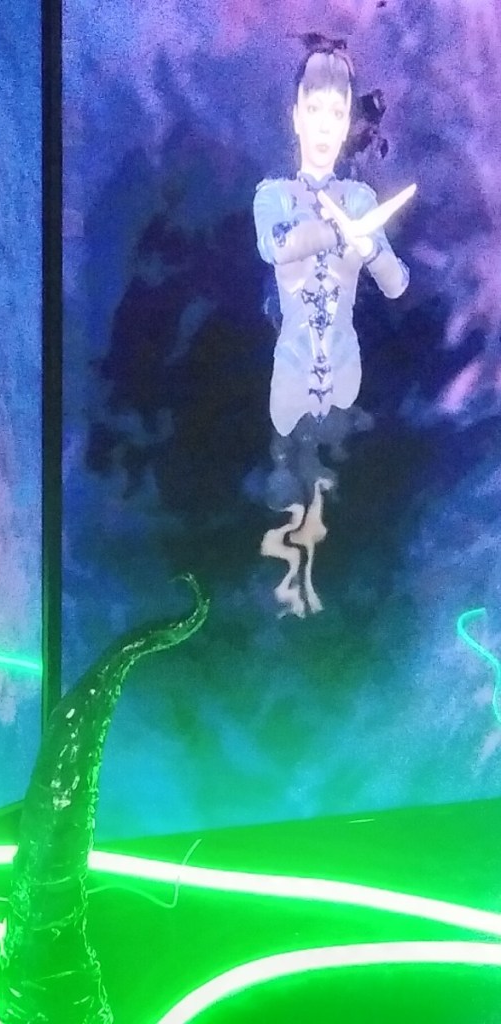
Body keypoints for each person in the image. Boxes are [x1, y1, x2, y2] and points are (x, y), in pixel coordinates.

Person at [253, 38, 415, 616]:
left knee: (336, 503)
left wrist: (370, 247)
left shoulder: (361, 197)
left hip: (345, 376)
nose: (325, 124)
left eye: (338, 112)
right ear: (295, 115)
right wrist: (339, 231)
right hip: (290, 376)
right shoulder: (273, 196)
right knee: (284, 502)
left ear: (349, 123)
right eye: (314, 108)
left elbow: (396, 284)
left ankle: (332, 611)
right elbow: (277, 248)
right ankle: (284, 607)